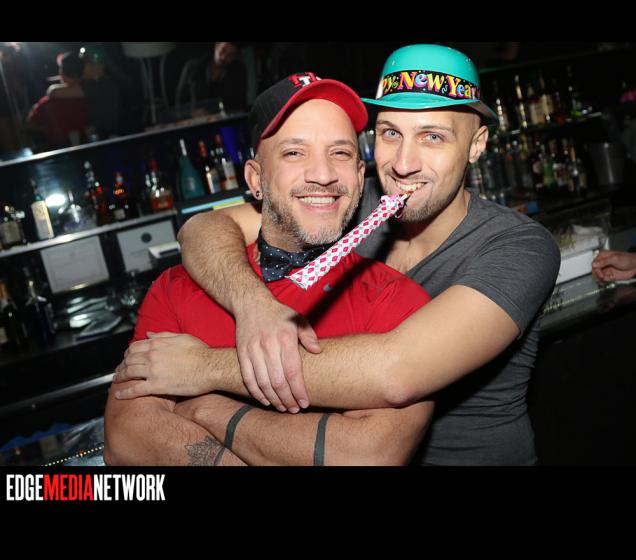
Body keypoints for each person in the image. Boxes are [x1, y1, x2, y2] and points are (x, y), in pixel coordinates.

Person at [126, 45, 561, 465]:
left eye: (432, 137)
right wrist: (253, 306)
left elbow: (397, 371)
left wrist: (204, 373)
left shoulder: (519, 247)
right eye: (390, 133)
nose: (404, 163)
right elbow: (203, 228)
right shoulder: (346, 202)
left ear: (477, 144)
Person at [105, 72, 435, 466]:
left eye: (340, 153)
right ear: (255, 179)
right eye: (294, 153)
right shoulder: (176, 288)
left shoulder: (399, 302)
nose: (323, 174)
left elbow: (368, 455)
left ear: (361, 178)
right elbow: (126, 437)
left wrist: (204, 408)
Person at [26, 51, 88, 149]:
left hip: (58, 150)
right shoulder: (94, 94)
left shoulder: (47, 102)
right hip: (90, 147)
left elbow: (30, 124)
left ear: (61, 73)